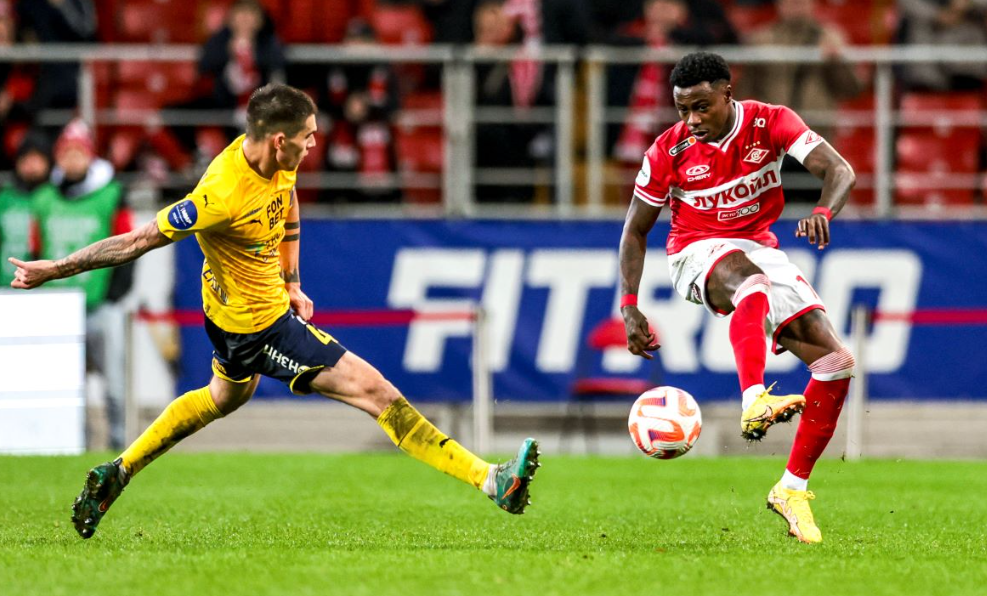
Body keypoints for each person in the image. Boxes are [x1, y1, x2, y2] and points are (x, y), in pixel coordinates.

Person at [9, 84, 540, 540]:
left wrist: (292, 280)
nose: (314, 145)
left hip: (234, 314)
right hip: (258, 328)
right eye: (308, 136)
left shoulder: (274, 161)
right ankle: (492, 480)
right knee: (378, 393)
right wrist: (54, 269)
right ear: (280, 139)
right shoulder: (219, 194)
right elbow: (137, 240)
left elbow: (287, 202)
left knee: (222, 397)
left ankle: (118, 471)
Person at [618, 52, 856, 544]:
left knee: (836, 363)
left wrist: (823, 212)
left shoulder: (771, 122)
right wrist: (629, 304)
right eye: (683, 109)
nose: (691, 120)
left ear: (728, 93)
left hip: (757, 248)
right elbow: (634, 231)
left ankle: (791, 489)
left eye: (701, 107)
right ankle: (753, 399)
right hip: (693, 253)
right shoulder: (667, 151)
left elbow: (839, 171)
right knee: (750, 282)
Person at [37, 119, 134, 450]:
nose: (72, 159)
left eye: (78, 152)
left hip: (101, 303)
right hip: (58, 305)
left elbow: (129, 245)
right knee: (66, 385)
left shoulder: (111, 194)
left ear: (90, 156)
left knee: (114, 383)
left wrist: (115, 295)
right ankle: (74, 443)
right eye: (66, 153)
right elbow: (36, 248)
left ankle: (121, 446)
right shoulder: (44, 199)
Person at [737, 0, 864, 203]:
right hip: (773, 140)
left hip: (816, 136)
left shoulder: (830, 37)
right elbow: (745, 92)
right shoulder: (761, 39)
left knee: (817, 206)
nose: (795, 5)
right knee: (770, 207)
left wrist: (836, 61)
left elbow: (851, 89)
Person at [0, 132, 57, 286]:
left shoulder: (57, 197)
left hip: (48, 286)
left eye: (37, 159)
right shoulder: (5, 198)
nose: (30, 166)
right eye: (25, 159)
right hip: (6, 282)